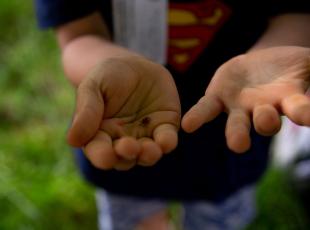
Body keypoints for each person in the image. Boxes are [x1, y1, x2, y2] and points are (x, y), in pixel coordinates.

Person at [35, 0, 310, 229]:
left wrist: (273, 54)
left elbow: (296, 14)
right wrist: (109, 63)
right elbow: (79, 34)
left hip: (229, 146)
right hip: (124, 138)